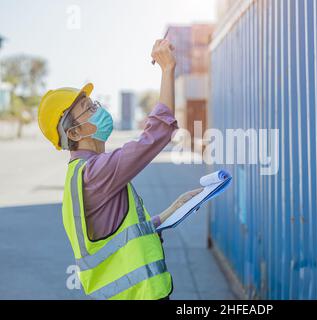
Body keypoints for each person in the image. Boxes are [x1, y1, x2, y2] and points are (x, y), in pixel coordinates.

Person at [37, 39, 202, 300]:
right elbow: (157, 134)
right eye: (88, 109)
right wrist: (167, 69)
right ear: (75, 132)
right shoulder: (95, 172)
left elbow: (115, 237)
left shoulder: (79, 175)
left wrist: (165, 215)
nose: (98, 111)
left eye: (95, 104)